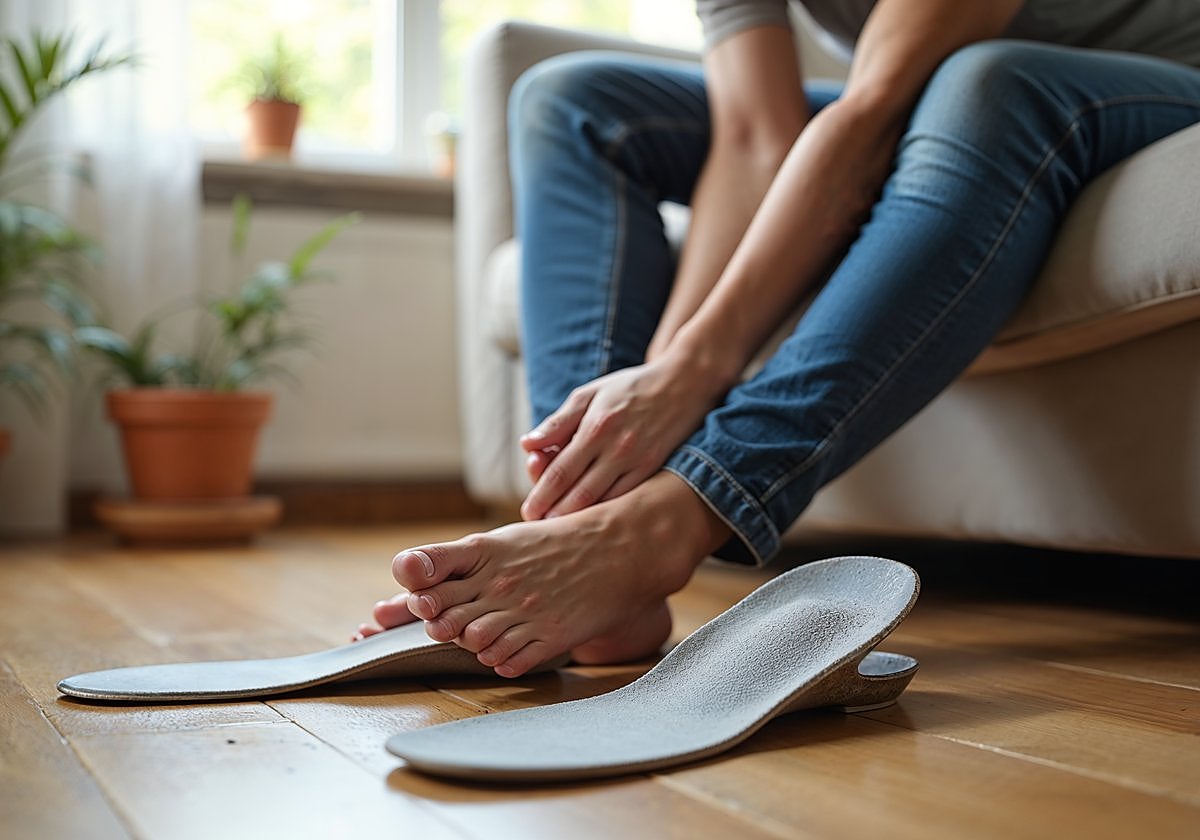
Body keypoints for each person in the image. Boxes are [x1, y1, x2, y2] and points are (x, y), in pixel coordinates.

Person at [356, 0, 1200, 677]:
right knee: (573, 99)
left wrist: (696, 366)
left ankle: (665, 526)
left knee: (987, 82)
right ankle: (589, 523)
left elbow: (873, 114)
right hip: (931, 95)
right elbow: (757, 137)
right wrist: (659, 380)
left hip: (1153, 88)